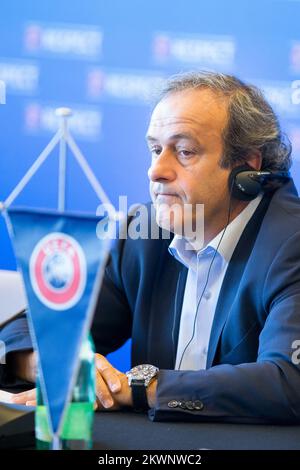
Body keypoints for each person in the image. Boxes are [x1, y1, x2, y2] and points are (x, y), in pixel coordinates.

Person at [1, 71, 300, 423]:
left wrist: (138, 387)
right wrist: (60, 365)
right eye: (155, 149)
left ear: (246, 167)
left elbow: (288, 381)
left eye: (185, 151)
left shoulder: (290, 243)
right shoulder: (143, 234)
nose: (156, 171)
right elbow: (24, 331)